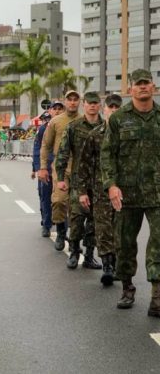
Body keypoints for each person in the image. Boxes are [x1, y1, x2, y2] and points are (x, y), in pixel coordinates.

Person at [101, 69, 160, 317]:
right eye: (139, 84)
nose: (143, 87)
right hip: (127, 194)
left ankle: (157, 295)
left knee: (159, 242)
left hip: (157, 193)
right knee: (125, 243)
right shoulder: (118, 119)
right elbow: (107, 154)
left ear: (154, 87)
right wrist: (111, 185)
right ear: (131, 89)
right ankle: (127, 287)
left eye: (147, 83)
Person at [55, 92, 103, 270]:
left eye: (95, 103)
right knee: (76, 218)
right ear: (84, 105)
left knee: (94, 221)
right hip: (78, 180)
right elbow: (63, 152)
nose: (92, 106)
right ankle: (74, 252)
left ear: (99, 105)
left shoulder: (106, 126)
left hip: (99, 181)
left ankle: (89, 255)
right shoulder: (74, 127)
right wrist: (60, 178)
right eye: (89, 103)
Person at [77, 94, 122, 286]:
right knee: (103, 229)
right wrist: (82, 191)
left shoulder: (128, 134)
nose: (113, 110)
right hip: (100, 191)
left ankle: (120, 263)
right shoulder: (95, 135)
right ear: (105, 109)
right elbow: (84, 165)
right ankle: (108, 265)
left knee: (121, 230)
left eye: (117, 107)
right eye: (110, 107)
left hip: (125, 191)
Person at [39, 91, 81, 251]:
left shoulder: (84, 120)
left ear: (79, 102)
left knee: (77, 205)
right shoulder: (55, 122)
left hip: (80, 165)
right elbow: (46, 145)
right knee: (58, 200)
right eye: (69, 99)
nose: (72, 102)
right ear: (65, 101)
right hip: (60, 165)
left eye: (75, 99)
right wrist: (42, 167)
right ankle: (61, 232)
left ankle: (75, 238)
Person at [32, 111, 53, 237]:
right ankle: (46, 224)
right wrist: (37, 168)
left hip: (61, 170)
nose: (57, 111)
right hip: (46, 169)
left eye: (59, 109)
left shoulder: (66, 126)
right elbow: (36, 150)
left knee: (62, 200)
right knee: (45, 197)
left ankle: (63, 228)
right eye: (54, 109)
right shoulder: (42, 130)